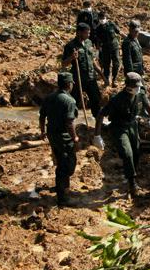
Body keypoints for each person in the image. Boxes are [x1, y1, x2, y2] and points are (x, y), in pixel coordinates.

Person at [94, 72, 150, 198]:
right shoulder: (117, 99)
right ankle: (132, 183)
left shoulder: (140, 94)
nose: (138, 88)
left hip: (133, 125)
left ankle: (132, 171)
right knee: (127, 153)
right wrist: (97, 135)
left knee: (136, 151)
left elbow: (147, 106)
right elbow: (101, 114)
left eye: (139, 86)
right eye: (136, 86)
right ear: (128, 87)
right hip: (119, 128)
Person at [39, 72, 79, 207]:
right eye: (72, 83)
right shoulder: (69, 101)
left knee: (61, 160)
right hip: (64, 137)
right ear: (69, 84)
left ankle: (61, 187)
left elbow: (42, 116)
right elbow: (69, 122)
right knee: (67, 165)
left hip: (52, 135)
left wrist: (42, 131)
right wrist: (75, 137)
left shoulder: (49, 97)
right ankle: (62, 197)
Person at [62, 23, 105, 117]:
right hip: (78, 79)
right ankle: (70, 124)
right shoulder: (70, 46)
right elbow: (64, 63)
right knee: (73, 102)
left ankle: (98, 125)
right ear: (78, 33)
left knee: (96, 101)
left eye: (89, 33)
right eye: (86, 33)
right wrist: (72, 57)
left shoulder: (89, 43)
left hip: (91, 78)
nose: (88, 35)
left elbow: (93, 62)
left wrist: (102, 76)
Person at [97, 12, 121, 87]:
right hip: (105, 48)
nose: (102, 20)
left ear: (106, 18)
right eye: (100, 19)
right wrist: (98, 48)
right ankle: (106, 80)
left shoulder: (111, 24)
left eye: (103, 18)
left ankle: (114, 79)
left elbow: (118, 32)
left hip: (114, 47)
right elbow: (98, 39)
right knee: (106, 64)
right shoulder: (98, 28)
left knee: (116, 63)